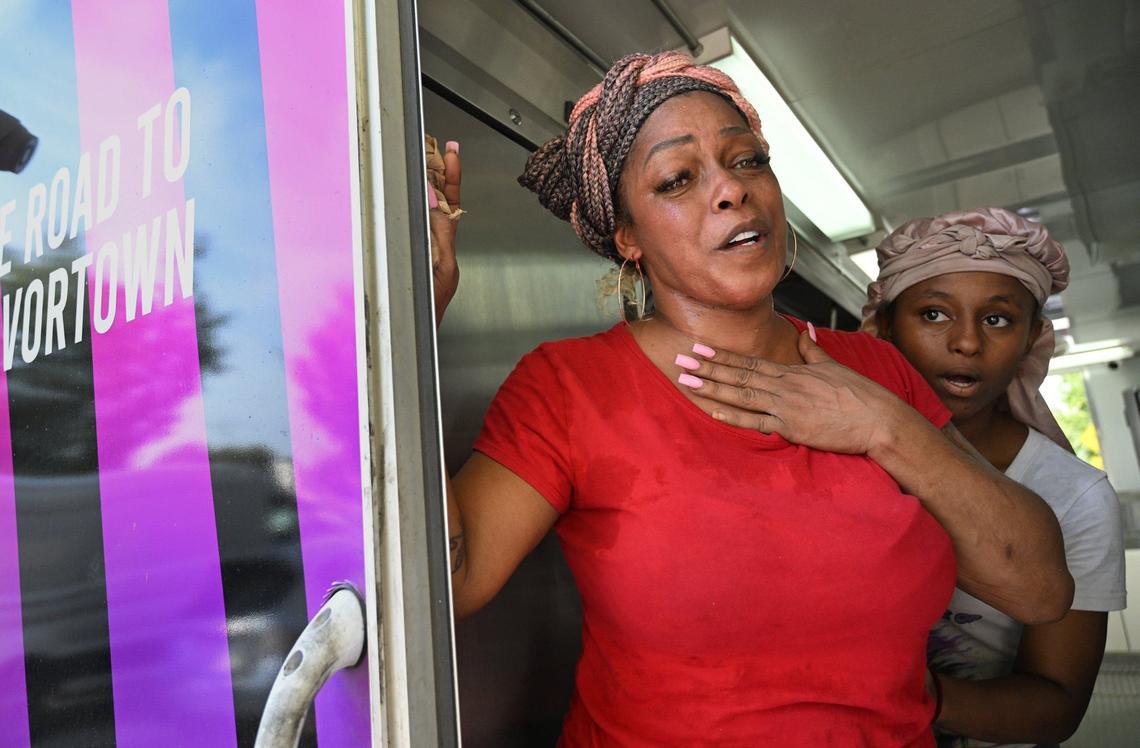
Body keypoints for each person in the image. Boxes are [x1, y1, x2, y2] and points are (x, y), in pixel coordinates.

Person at [430, 51, 1073, 747]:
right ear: (628, 239)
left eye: (747, 161)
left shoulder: (877, 371)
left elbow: (1038, 588)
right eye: (678, 179)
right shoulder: (571, 388)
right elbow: (451, 583)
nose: (731, 191)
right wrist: (413, 315)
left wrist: (885, 426)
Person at [859, 208, 1127, 747]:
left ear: (1032, 338)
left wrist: (897, 695)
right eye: (933, 314)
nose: (966, 343)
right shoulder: (836, 455)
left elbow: (1056, 702)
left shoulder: (1074, 497)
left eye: (998, 319)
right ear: (885, 327)